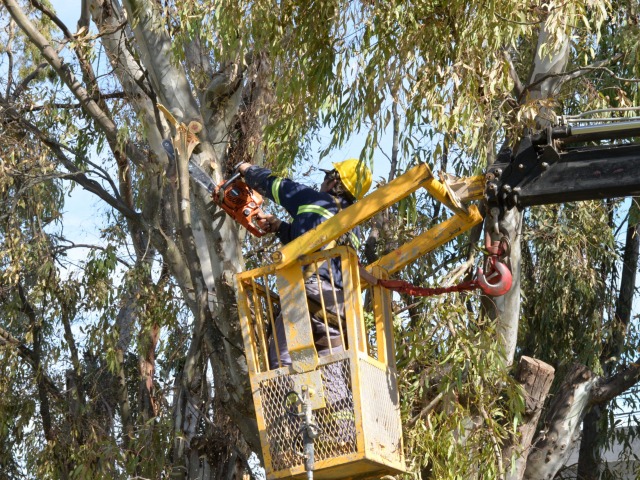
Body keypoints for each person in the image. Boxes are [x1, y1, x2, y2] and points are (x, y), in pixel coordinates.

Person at [237, 159, 375, 369]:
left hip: (309, 294)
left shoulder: (315, 200)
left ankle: (286, 401)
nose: (322, 182)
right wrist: (281, 227)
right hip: (339, 304)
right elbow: (314, 244)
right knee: (333, 366)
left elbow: (275, 185)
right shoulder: (353, 225)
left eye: (326, 176)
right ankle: (338, 401)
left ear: (333, 181)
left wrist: (247, 170)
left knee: (284, 362)